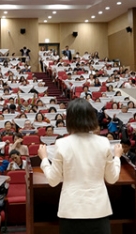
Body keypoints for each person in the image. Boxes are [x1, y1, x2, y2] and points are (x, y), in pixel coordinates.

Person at [38, 98, 122, 234]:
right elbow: (112, 179)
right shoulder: (103, 142)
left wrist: (44, 159)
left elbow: (53, 181)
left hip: (71, 209)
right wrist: (117, 157)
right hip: (98, 209)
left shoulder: (61, 143)